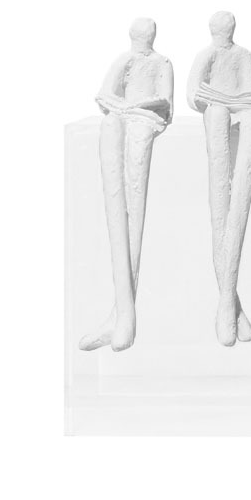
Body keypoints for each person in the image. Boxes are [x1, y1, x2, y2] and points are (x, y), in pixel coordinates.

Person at [79, 18, 174, 351]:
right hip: (123, 119)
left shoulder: (162, 63)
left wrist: (139, 107)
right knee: (111, 129)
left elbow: (165, 101)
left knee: (135, 211)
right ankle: (122, 317)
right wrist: (122, 106)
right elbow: (105, 94)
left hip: (145, 123)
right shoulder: (125, 60)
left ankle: (122, 318)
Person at [187, 11, 251, 346]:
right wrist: (220, 101)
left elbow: (249, 94)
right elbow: (194, 96)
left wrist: (235, 101)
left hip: (238, 114)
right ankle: (230, 305)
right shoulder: (206, 56)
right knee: (217, 113)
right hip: (218, 115)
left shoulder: (243, 56)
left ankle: (227, 304)